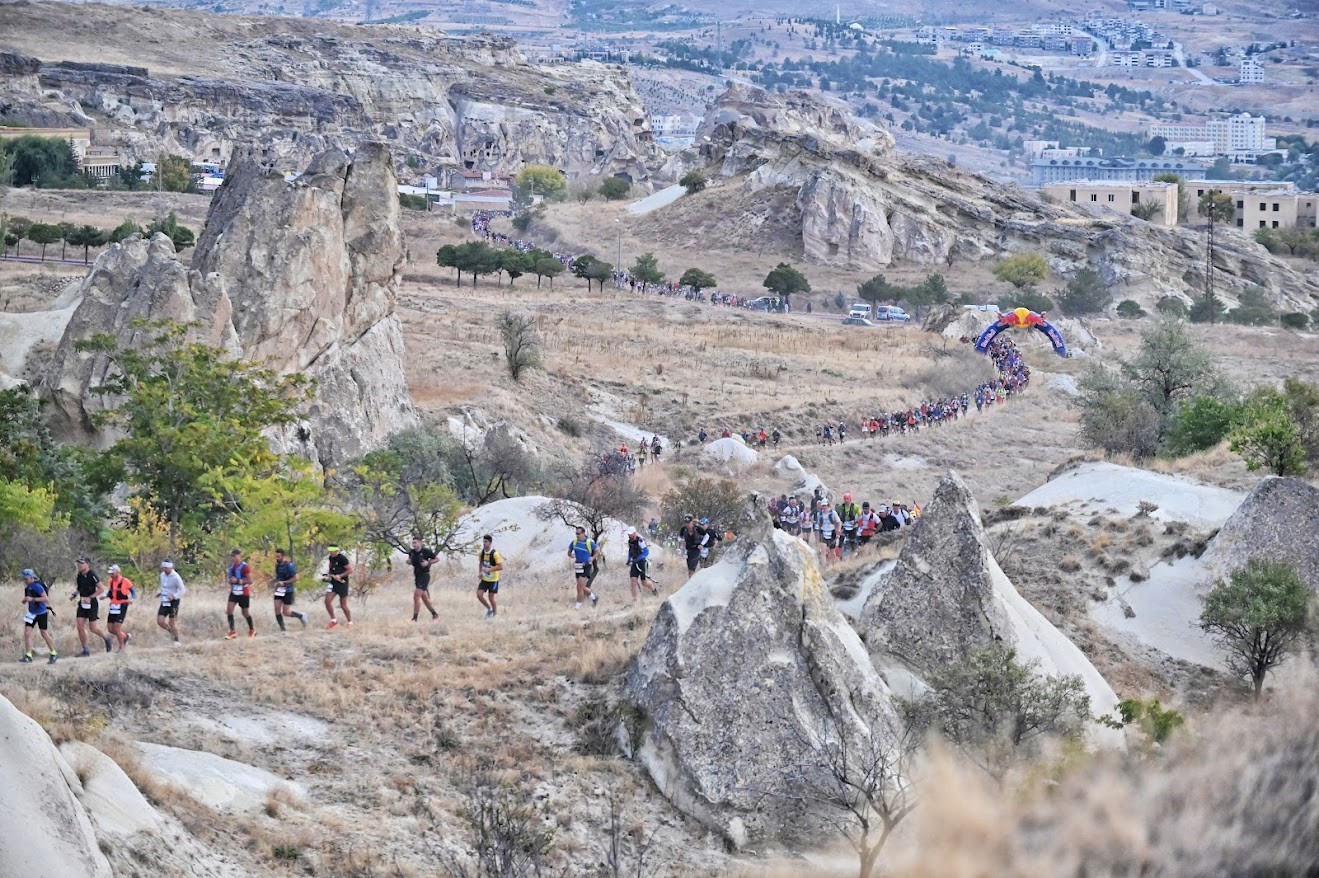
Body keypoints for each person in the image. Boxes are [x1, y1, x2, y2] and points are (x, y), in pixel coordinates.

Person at [71, 557, 112, 657]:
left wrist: (90, 597)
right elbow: (79, 588)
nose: (80, 565)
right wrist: (75, 594)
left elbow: (101, 589)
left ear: (87, 564)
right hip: (82, 602)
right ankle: (85, 650)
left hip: (92, 603)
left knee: (92, 628)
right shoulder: (79, 575)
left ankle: (106, 638)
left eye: (82, 563)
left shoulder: (92, 575)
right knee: (79, 626)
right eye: (79, 563)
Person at [20, 569, 58, 664]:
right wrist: (25, 600)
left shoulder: (37, 586)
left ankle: (54, 653)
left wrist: (32, 599)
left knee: (44, 633)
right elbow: (28, 598)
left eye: (26, 578)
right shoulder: (27, 587)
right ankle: (28, 655)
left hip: (41, 613)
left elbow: (45, 598)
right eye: (24, 578)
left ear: (31, 577)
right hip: (31, 613)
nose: (25, 580)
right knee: (27, 633)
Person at [273, 549, 308, 632]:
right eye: (276, 556)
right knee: (277, 609)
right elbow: (278, 577)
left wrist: (284, 583)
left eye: (278, 556)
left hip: (288, 590)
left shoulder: (289, 565)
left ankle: (301, 616)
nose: (277, 558)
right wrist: (273, 581)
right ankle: (282, 630)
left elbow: (296, 577)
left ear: (283, 556)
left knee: (286, 612)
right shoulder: (277, 565)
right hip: (279, 590)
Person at [225, 548, 255, 640]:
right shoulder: (231, 567)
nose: (233, 558)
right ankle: (232, 631)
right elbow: (230, 579)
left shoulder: (244, 567)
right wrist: (230, 581)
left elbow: (250, 581)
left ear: (239, 556)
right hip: (234, 592)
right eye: (232, 557)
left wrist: (238, 581)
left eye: (235, 556)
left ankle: (252, 630)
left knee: (245, 613)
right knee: (229, 611)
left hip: (243, 593)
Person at [407, 537, 440, 623]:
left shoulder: (426, 551)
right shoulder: (412, 552)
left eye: (415, 543)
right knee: (425, 598)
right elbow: (411, 561)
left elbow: (437, 559)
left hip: (424, 576)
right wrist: (408, 561)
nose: (414, 545)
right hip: (417, 576)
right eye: (413, 543)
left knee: (416, 596)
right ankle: (435, 614)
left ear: (420, 543)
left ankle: (414, 619)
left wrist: (428, 562)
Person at [567, 526, 600, 609]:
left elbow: (597, 551)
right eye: (576, 533)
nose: (577, 535)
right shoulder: (574, 542)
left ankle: (577, 607)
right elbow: (569, 552)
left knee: (579, 587)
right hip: (578, 565)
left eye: (578, 533)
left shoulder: (589, 542)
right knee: (580, 586)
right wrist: (571, 555)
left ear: (583, 533)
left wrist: (592, 558)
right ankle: (594, 597)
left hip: (586, 565)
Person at [104, 564, 134, 651]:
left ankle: (122, 647)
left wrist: (131, 599)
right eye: (110, 574)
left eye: (112, 573)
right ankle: (125, 636)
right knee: (110, 629)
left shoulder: (126, 581)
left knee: (117, 628)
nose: (111, 575)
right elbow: (110, 592)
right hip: (113, 606)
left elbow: (133, 592)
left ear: (117, 572)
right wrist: (105, 596)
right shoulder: (110, 581)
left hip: (122, 605)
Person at [324, 544, 353, 629]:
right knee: (327, 601)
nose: (331, 552)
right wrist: (329, 574)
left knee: (343, 605)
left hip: (342, 583)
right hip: (333, 583)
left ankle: (350, 622)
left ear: (337, 550)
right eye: (330, 550)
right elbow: (331, 566)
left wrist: (340, 575)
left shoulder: (342, 559)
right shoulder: (331, 557)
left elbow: (350, 570)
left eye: (332, 551)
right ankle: (333, 620)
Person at [157, 559, 185, 646]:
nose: (164, 570)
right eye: (163, 568)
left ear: (170, 567)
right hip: (165, 600)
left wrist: (174, 596)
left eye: (166, 568)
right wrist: (160, 592)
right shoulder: (162, 575)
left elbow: (183, 590)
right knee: (160, 621)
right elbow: (164, 587)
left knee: (172, 622)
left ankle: (176, 639)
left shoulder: (176, 576)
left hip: (174, 601)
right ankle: (170, 632)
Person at [626, 526, 657, 600]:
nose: (629, 535)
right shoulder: (629, 541)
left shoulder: (640, 541)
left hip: (642, 563)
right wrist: (629, 559)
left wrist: (638, 559)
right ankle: (635, 600)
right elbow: (630, 551)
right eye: (628, 534)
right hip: (634, 563)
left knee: (644, 582)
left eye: (630, 534)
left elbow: (646, 552)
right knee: (633, 581)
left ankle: (654, 591)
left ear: (634, 533)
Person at [478, 534, 504, 618]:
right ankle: (489, 609)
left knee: (491, 597)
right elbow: (481, 563)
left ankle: (495, 614)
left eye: (486, 542)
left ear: (490, 542)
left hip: (493, 579)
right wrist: (480, 572)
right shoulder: (481, 553)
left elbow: (501, 566)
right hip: (485, 579)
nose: (484, 543)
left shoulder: (495, 554)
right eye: (483, 542)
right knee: (479, 594)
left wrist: (490, 569)